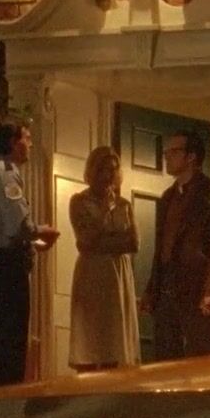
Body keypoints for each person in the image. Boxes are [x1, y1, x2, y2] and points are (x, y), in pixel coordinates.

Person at [0, 120, 58, 389]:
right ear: (12, 142)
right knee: (7, 346)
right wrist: (41, 231)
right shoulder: (6, 175)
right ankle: (3, 403)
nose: (30, 144)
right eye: (26, 138)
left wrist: (31, 243)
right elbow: (16, 225)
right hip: (4, 271)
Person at [140, 129, 210, 360]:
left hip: (197, 286)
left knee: (203, 354)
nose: (167, 157)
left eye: (173, 152)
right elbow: (161, 248)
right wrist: (152, 289)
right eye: (166, 153)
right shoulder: (167, 197)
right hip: (167, 289)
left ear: (191, 156)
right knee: (165, 357)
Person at [68, 146, 140, 371]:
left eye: (114, 170)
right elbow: (85, 241)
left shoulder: (124, 204)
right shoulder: (79, 201)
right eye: (104, 169)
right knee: (91, 337)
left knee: (115, 338)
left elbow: (133, 243)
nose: (109, 175)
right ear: (94, 170)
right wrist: (105, 211)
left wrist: (104, 243)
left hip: (118, 274)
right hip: (92, 273)